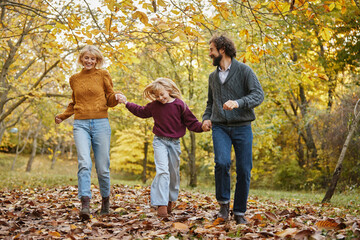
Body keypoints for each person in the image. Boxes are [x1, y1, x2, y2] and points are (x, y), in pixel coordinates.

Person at [116, 78, 207, 217]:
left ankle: (170, 199)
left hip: (175, 142)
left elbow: (191, 122)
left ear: (169, 90)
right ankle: (161, 205)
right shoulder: (154, 106)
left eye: (162, 94)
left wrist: (202, 127)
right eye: (157, 96)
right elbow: (140, 111)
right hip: (160, 141)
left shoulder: (180, 105)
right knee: (162, 171)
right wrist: (126, 103)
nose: (160, 98)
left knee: (173, 173)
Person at [202, 34, 264, 224]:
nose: (210, 54)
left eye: (211, 50)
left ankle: (239, 212)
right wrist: (206, 118)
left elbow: (258, 95)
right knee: (221, 163)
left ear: (222, 50)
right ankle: (223, 206)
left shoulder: (245, 71)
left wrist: (238, 103)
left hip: (242, 127)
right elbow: (210, 103)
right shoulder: (213, 77)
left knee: (244, 170)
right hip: (220, 127)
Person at [55, 45, 120, 220]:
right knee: (84, 163)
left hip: (101, 123)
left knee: (102, 168)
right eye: (86, 58)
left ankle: (105, 202)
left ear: (97, 60)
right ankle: (85, 204)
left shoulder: (103, 74)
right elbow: (74, 102)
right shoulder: (74, 79)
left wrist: (117, 98)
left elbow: (110, 98)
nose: (89, 61)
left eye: (93, 58)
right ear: (81, 59)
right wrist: (63, 116)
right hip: (80, 124)